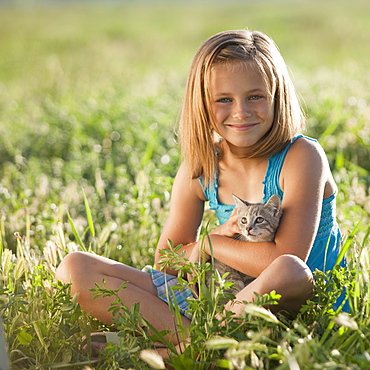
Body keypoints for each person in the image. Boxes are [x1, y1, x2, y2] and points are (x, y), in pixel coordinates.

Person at [55, 29, 346, 353]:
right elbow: (168, 262)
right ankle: (197, 344)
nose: (241, 112)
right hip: (219, 302)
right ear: (202, 105)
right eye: (224, 99)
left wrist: (211, 243)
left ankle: (181, 348)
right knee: (74, 268)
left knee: (289, 270)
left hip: (288, 303)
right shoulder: (202, 167)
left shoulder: (301, 156)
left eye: (255, 96)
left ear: (277, 95)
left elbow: (281, 259)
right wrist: (218, 236)